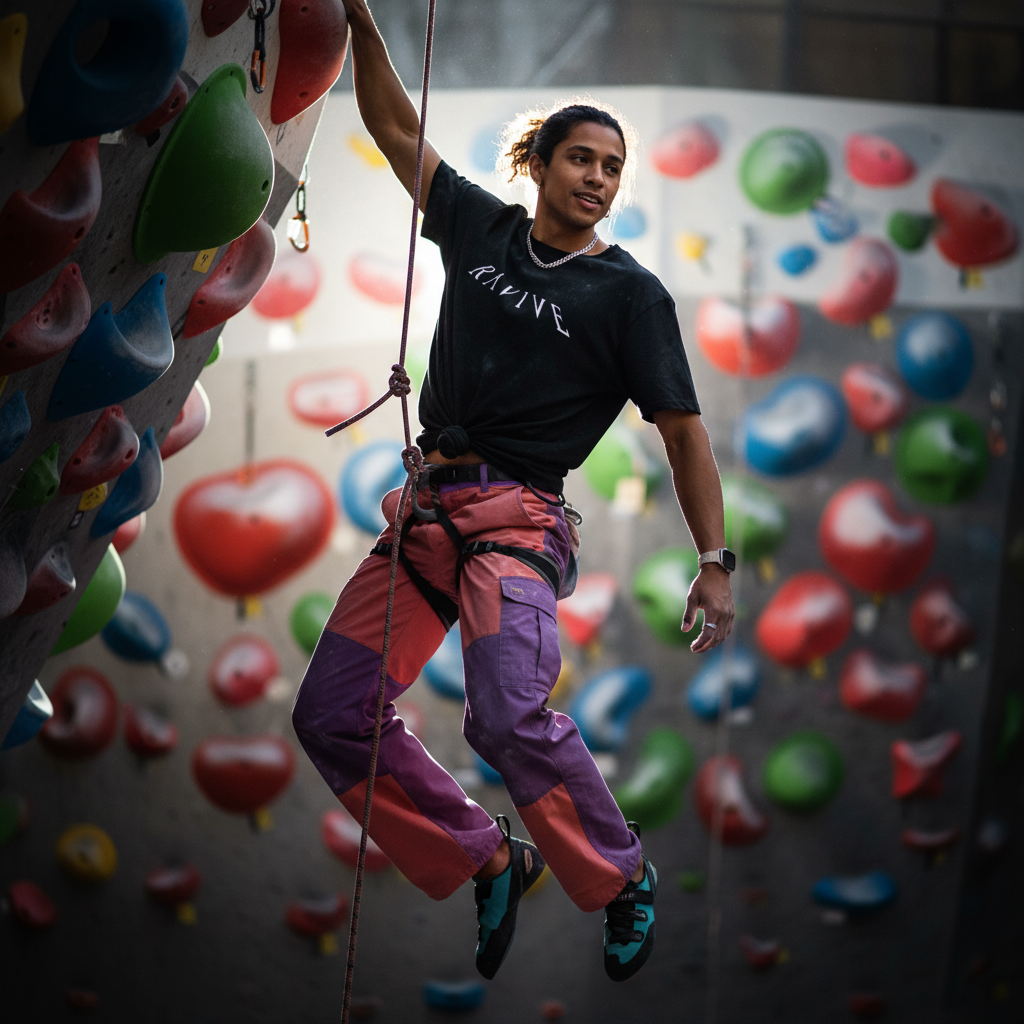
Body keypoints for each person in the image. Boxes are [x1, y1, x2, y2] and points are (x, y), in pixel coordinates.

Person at [292, 0, 736, 984]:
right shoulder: (480, 227)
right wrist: (360, 21)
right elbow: (393, 128)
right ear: (537, 163)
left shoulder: (630, 296)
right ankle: (487, 856)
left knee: (504, 713)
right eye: (581, 158)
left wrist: (715, 560)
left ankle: (620, 875)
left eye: (613, 167)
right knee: (329, 712)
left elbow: (684, 434)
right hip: (428, 513)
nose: (599, 178)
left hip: (518, 522)